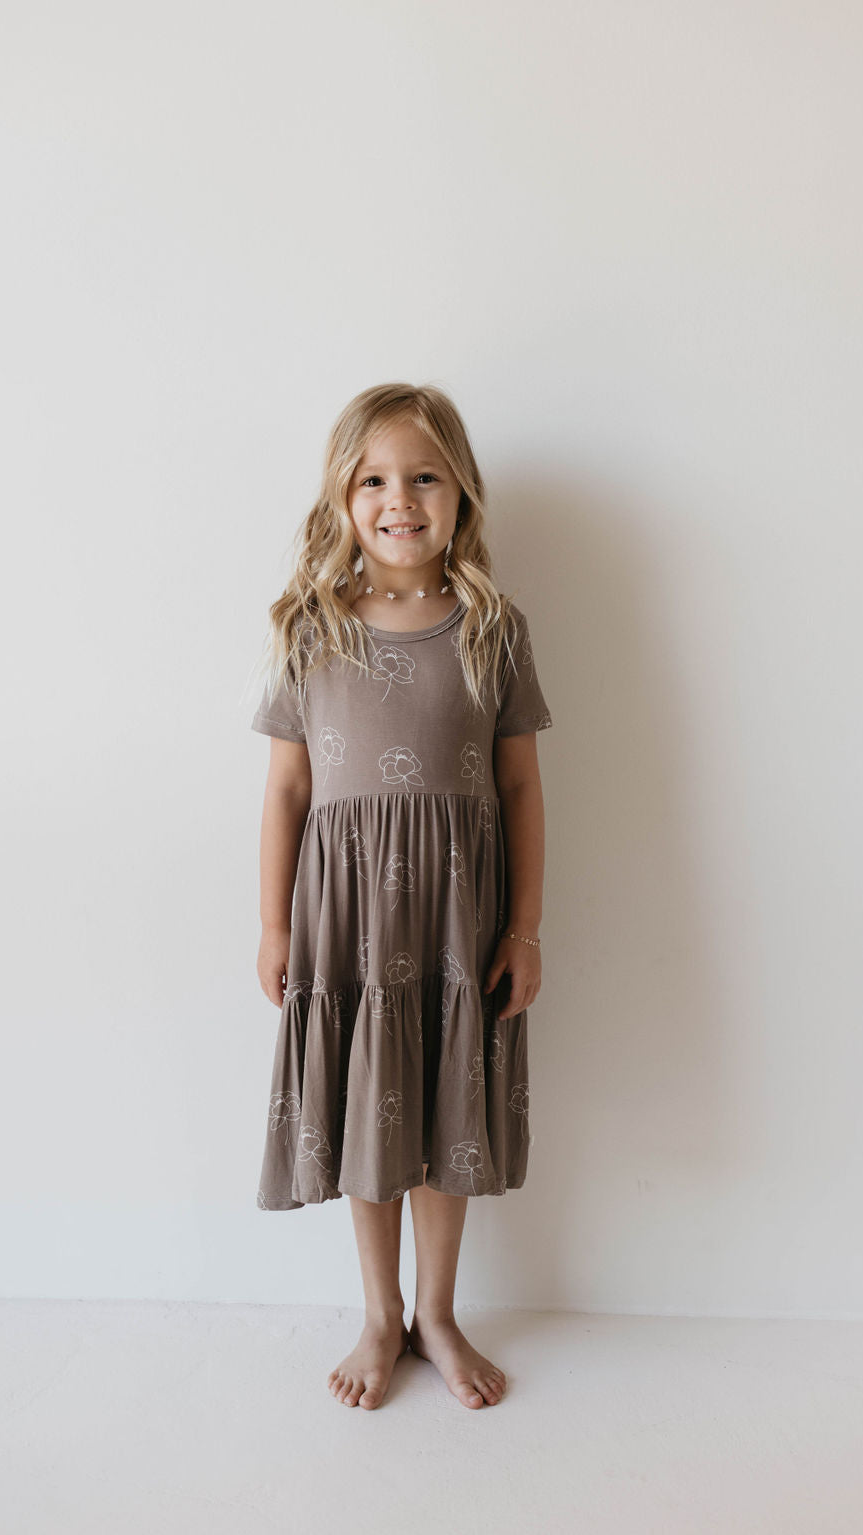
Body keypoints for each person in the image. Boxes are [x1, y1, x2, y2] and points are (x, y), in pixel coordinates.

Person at [250, 382, 553, 1411]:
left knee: (444, 1110)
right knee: (372, 1115)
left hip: (458, 922)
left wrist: (524, 926)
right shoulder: (311, 627)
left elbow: (518, 783)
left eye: (423, 475)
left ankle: (437, 1309)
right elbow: (288, 788)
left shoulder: (492, 627)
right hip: (350, 926)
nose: (399, 498)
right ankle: (379, 1312)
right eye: (374, 478)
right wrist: (273, 922)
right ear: (342, 497)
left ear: (460, 493)